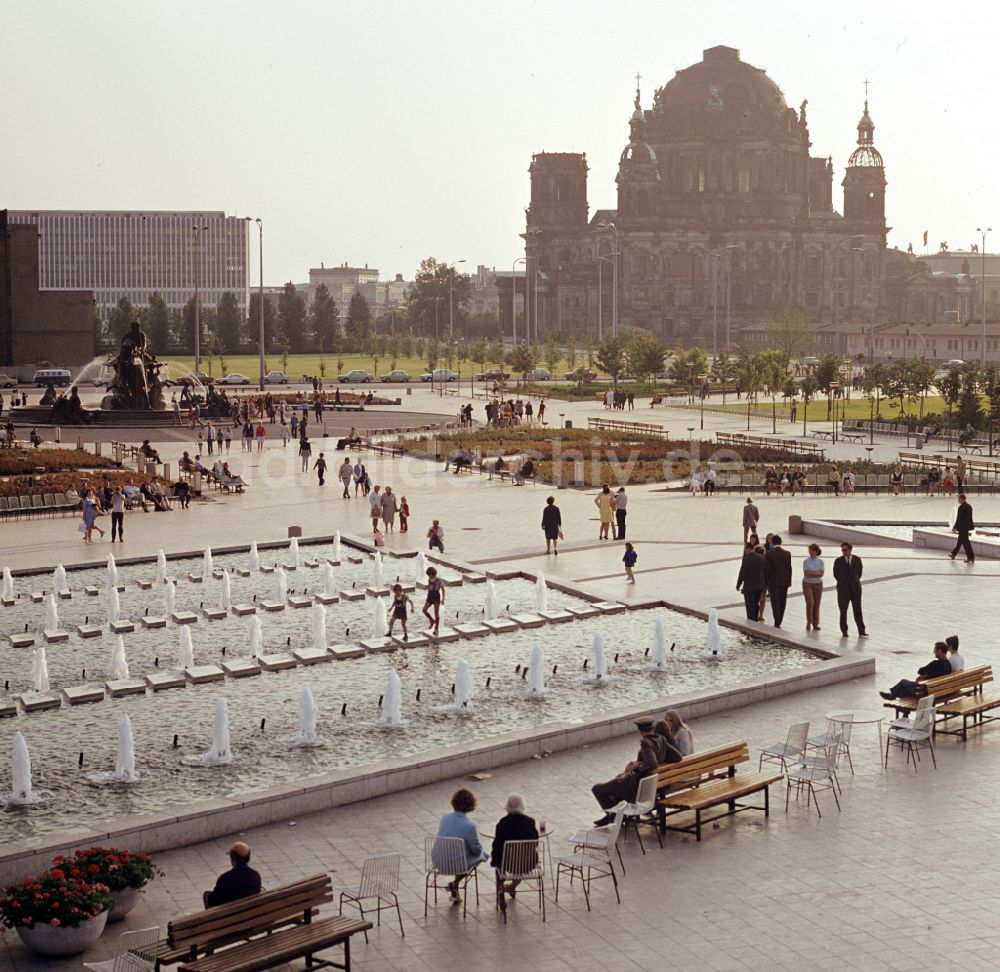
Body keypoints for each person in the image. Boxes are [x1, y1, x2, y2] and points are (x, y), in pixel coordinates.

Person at [591, 718, 680, 826]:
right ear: (652, 728)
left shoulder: (645, 742)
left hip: (636, 787)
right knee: (614, 786)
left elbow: (652, 763)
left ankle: (615, 817)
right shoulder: (661, 739)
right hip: (648, 785)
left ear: (641, 731)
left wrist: (637, 765)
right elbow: (677, 757)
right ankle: (613, 816)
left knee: (597, 789)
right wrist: (656, 761)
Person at [434, 788, 489, 904]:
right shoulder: (469, 826)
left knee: (458, 855)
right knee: (483, 855)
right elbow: (476, 850)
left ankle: (455, 885)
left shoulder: (445, 818)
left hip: (438, 862)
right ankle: (455, 883)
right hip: (456, 864)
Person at [490, 794, 539, 908]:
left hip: (508, 864)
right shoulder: (530, 822)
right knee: (521, 858)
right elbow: (535, 842)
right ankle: (511, 887)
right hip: (528, 864)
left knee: (499, 865)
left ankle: (501, 889)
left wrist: (494, 861)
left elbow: (497, 845)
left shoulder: (503, 823)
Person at [880, 642, 953, 700]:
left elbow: (920, 671)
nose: (933, 651)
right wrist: (927, 674)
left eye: (935, 650)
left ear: (940, 651)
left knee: (903, 682)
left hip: (925, 691)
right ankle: (902, 712)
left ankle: (892, 696)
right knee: (903, 692)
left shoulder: (935, 664)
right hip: (937, 691)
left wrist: (926, 674)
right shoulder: (948, 665)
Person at [203, 842, 262, 909]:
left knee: (206, 895)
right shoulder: (255, 876)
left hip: (229, 917)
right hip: (252, 914)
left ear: (232, 858)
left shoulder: (225, 878)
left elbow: (213, 902)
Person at [833, 541, 867, 637]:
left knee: (857, 610)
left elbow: (859, 573)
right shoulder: (838, 561)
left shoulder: (857, 560)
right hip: (843, 590)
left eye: (845, 550)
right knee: (843, 611)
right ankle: (844, 631)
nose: (844, 552)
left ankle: (861, 630)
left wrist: (853, 581)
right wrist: (844, 582)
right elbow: (836, 574)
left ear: (850, 550)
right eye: (842, 550)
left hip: (855, 589)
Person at [764, 535, 792, 627]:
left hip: (773, 581)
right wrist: (789, 581)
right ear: (781, 542)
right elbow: (789, 568)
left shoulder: (769, 553)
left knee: (775, 601)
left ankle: (777, 620)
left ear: (772, 542)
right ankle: (780, 619)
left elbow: (767, 569)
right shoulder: (787, 553)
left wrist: (766, 583)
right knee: (783, 600)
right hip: (784, 581)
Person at [736, 542, 766, 621]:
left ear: (749, 548)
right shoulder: (762, 558)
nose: (744, 551)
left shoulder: (746, 559)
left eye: (745, 549)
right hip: (759, 586)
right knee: (756, 604)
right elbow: (765, 572)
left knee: (750, 605)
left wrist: (738, 585)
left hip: (749, 586)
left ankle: (751, 620)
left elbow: (742, 573)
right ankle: (755, 619)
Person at [802, 543, 825, 631]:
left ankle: (815, 623)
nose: (811, 552)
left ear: (816, 551)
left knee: (817, 604)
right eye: (810, 550)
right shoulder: (806, 561)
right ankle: (809, 622)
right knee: (810, 603)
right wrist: (816, 573)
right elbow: (806, 574)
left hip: (818, 584)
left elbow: (821, 574)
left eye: (813, 551)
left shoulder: (821, 562)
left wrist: (812, 573)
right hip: (807, 584)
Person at [949, 493, 975, 563]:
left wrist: (955, 527)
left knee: (966, 543)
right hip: (966, 527)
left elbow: (959, 519)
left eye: (958, 499)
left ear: (961, 499)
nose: (958, 500)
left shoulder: (961, 507)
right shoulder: (969, 506)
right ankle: (953, 554)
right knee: (960, 541)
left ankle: (970, 557)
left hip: (963, 528)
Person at [423, 565, 445, 635]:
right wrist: (426, 587)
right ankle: (432, 621)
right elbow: (430, 586)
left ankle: (436, 629)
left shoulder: (439, 580)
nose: (428, 577)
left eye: (429, 575)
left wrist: (443, 599)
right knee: (424, 610)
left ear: (432, 574)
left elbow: (443, 589)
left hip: (436, 597)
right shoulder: (429, 579)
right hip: (430, 596)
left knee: (436, 613)